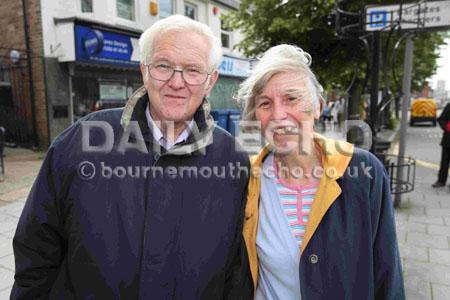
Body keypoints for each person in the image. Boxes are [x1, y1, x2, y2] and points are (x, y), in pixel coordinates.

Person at [11, 15, 253, 299]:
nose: (177, 82)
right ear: (144, 71)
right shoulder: (81, 142)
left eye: (193, 70)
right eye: (163, 66)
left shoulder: (231, 159)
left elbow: (235, 273)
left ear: (210, 81)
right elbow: (36, 255)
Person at [237, 45, 405, 299]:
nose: (278, 115)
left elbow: (387, 273)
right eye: (264, 103)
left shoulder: (362, 171)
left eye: (291, 98)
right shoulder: (247, 179)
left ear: (318, 107)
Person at [432, 102, 450, 188]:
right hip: (448, 140)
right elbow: (441, 119)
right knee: (445, 162)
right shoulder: (449, 105)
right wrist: (447, 127)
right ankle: (441, 181)